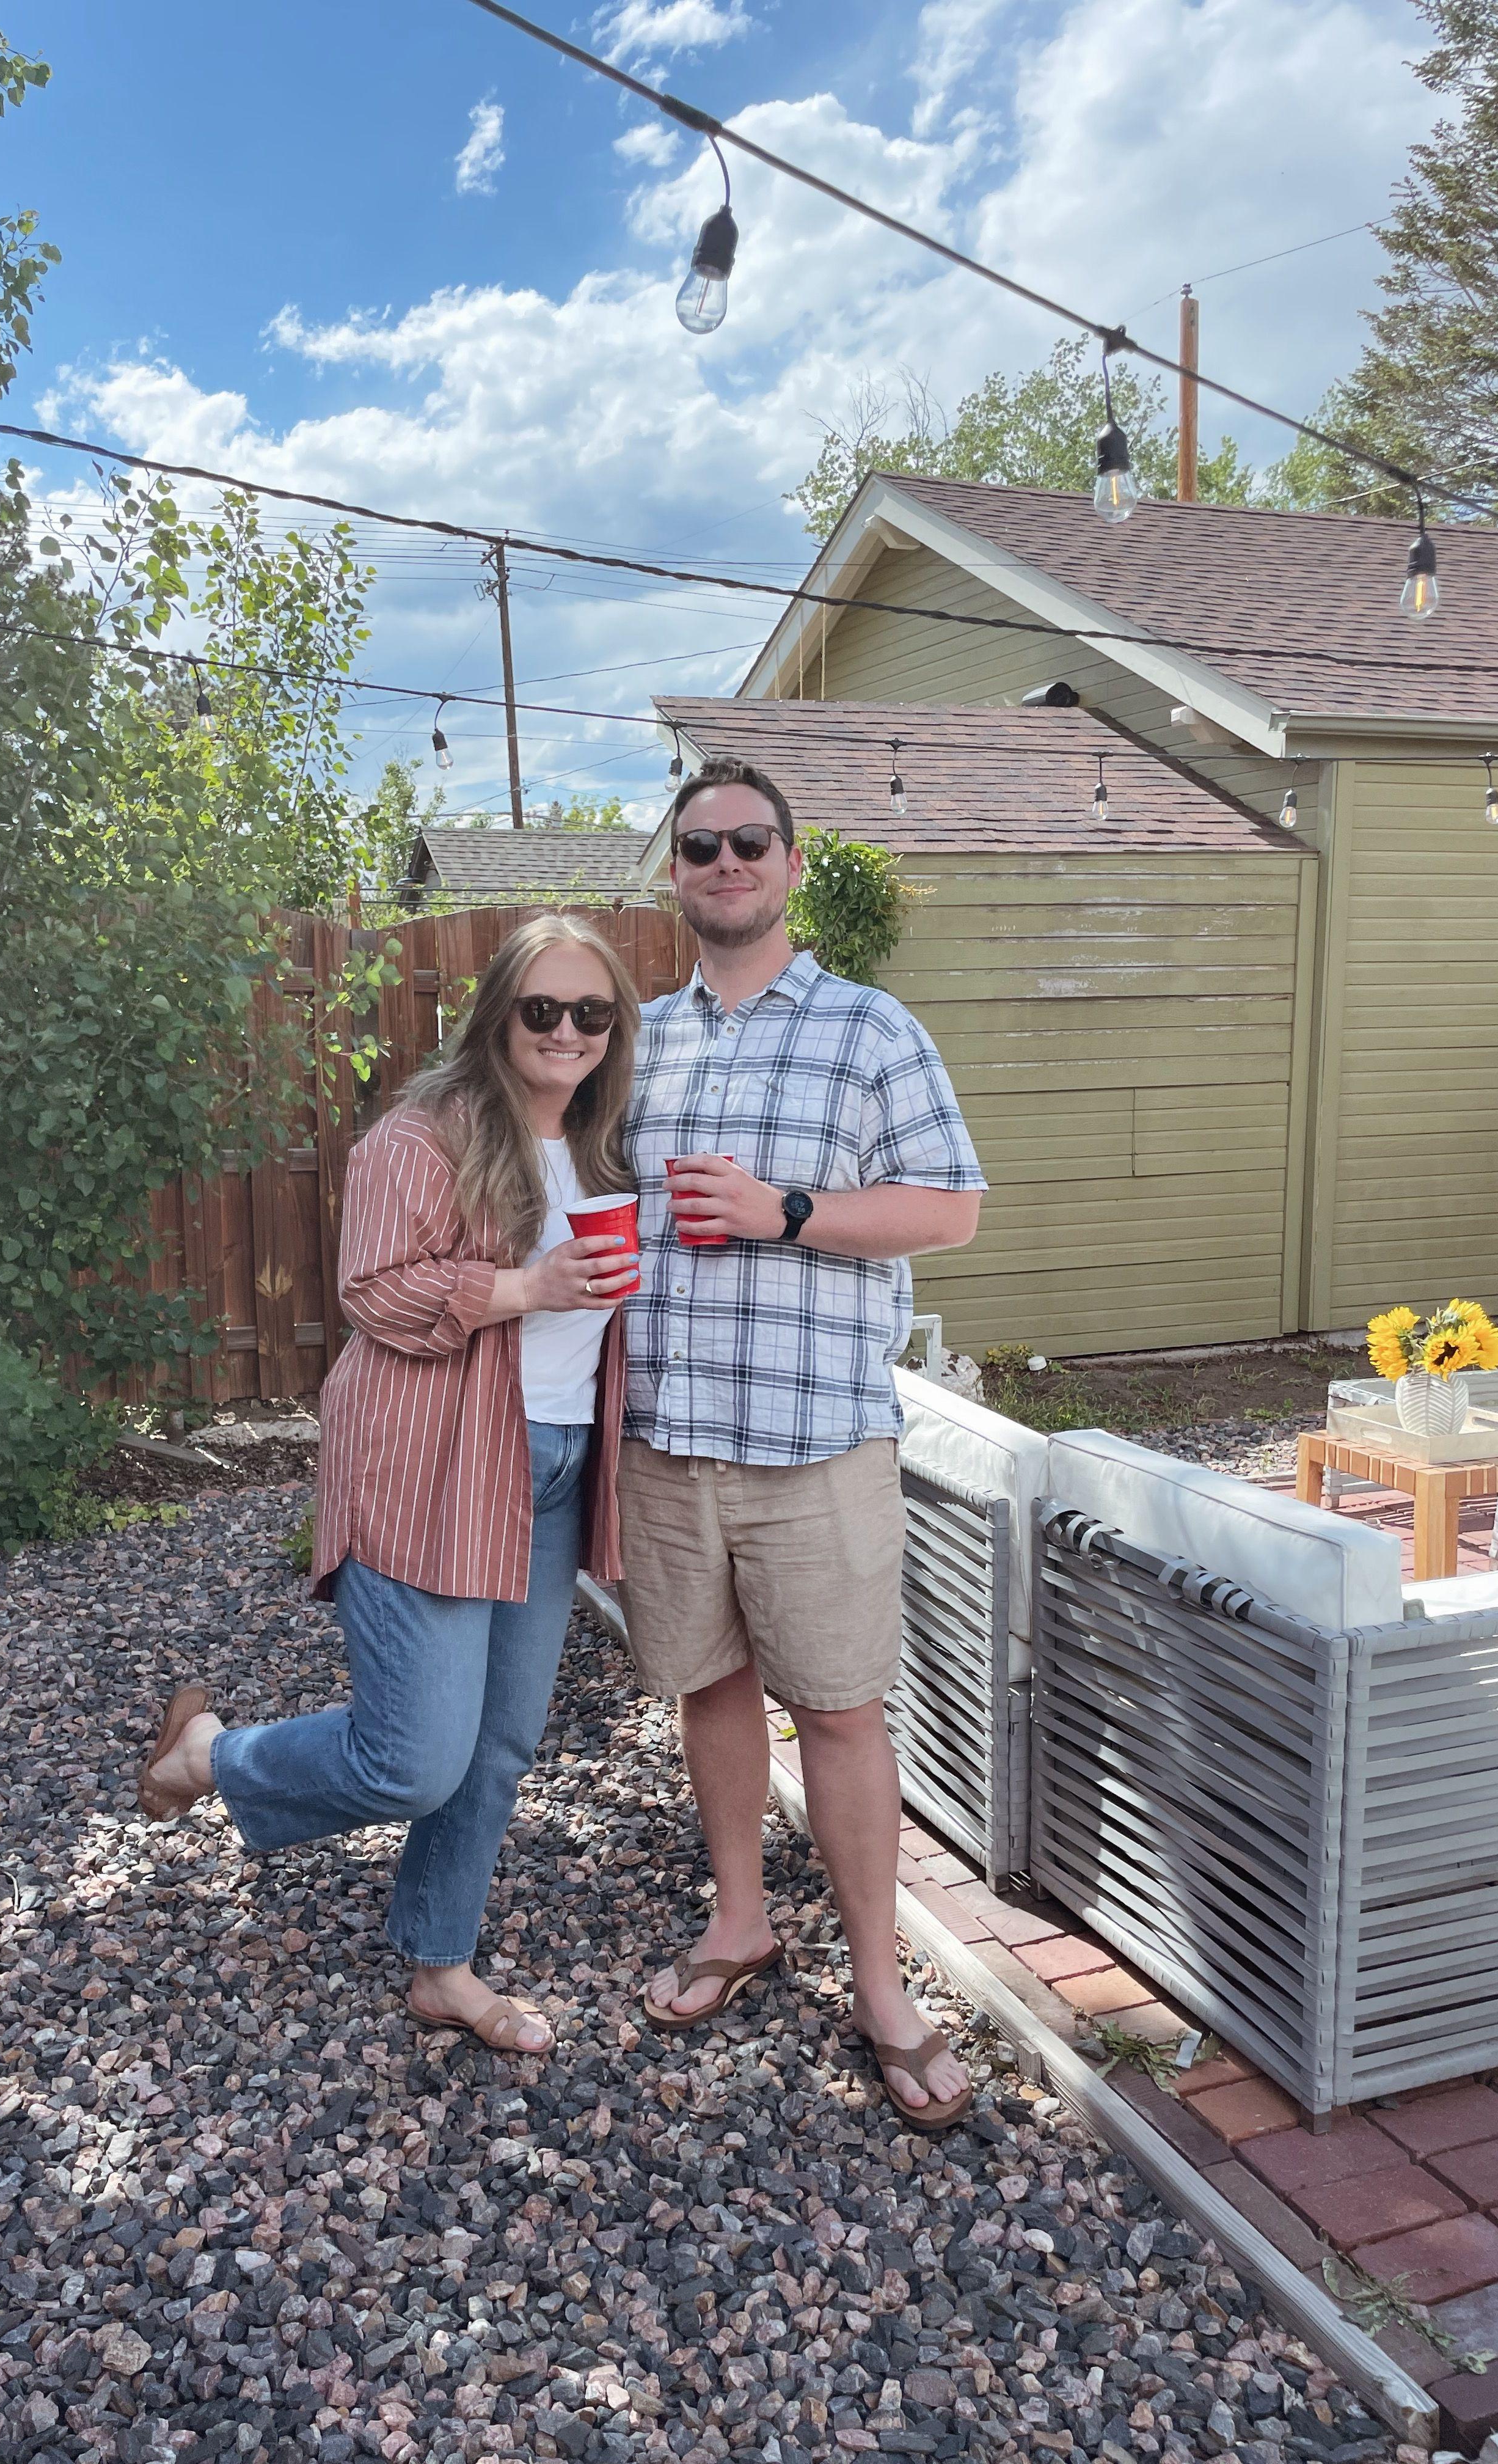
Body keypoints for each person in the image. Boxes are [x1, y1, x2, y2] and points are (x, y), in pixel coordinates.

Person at [137, 915, 643, 2053]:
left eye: (593, 1013)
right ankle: (210, 1754)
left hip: (559, 1463)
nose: (568, 1032)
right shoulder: (421, 1137)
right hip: (434, 1463)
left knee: (499, 1747)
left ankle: (440, 1964)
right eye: (543, 1009)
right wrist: (531, 1287)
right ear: (498, 1014)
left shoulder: (609, 1145)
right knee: (413, 1759)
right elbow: (374, 1292)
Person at [619, 756, 988, 2127]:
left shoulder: (870, 1029)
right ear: (675, 872)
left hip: (817, 1440)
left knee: (838, 1708)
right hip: (669, 1436)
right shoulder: (639, 1041)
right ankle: (741, 1922)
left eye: (749, 842)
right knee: (708, 1688)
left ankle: (880, 1983)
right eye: (700, 846)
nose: (725, 863)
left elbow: (949, 1210)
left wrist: (784, 1210)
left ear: (789, 861)